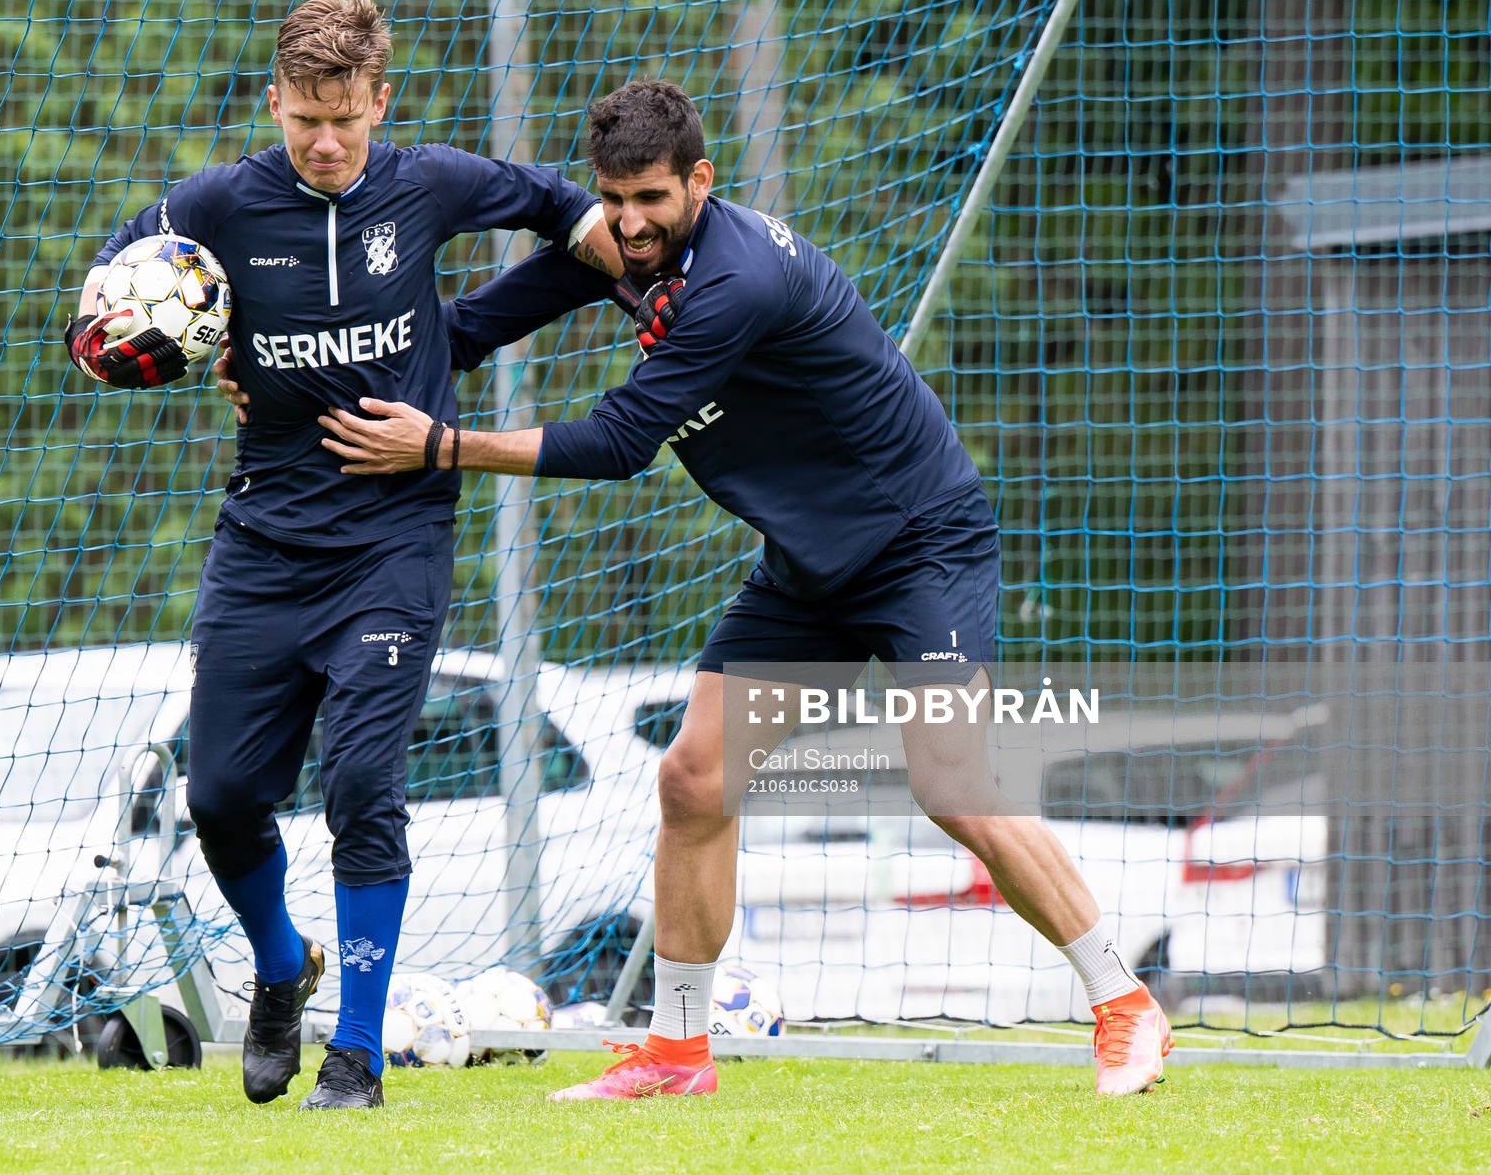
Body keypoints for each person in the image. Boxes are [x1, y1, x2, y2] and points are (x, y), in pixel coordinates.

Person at [310, 79, 1174, 1100]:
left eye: (652, 199)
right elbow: (464, 331)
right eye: (612, 199)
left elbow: (624, 442)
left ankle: (1124, 1003)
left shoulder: (738, 280)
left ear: (700, 183)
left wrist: (440, 446)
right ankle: (678, 1053)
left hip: (918, 544)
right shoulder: (622, 249)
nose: (628, 223)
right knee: (692, 781)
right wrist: (300, 377)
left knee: (950, 780)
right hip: (810, 567)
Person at [66, 0, 620, 1110]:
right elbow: (106, 297)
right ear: (274, 102)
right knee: (220, 794)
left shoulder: (430, 184)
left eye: (347, 121)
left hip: (393, 537)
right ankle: (280, 964)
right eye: (304, 118)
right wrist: (195, 350)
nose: (325, 143)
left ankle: (357, 1057)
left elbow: (572, 222)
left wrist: (462, 334)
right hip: (265, 536)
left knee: (365, 780)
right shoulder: (219, 201)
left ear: (380, 103)